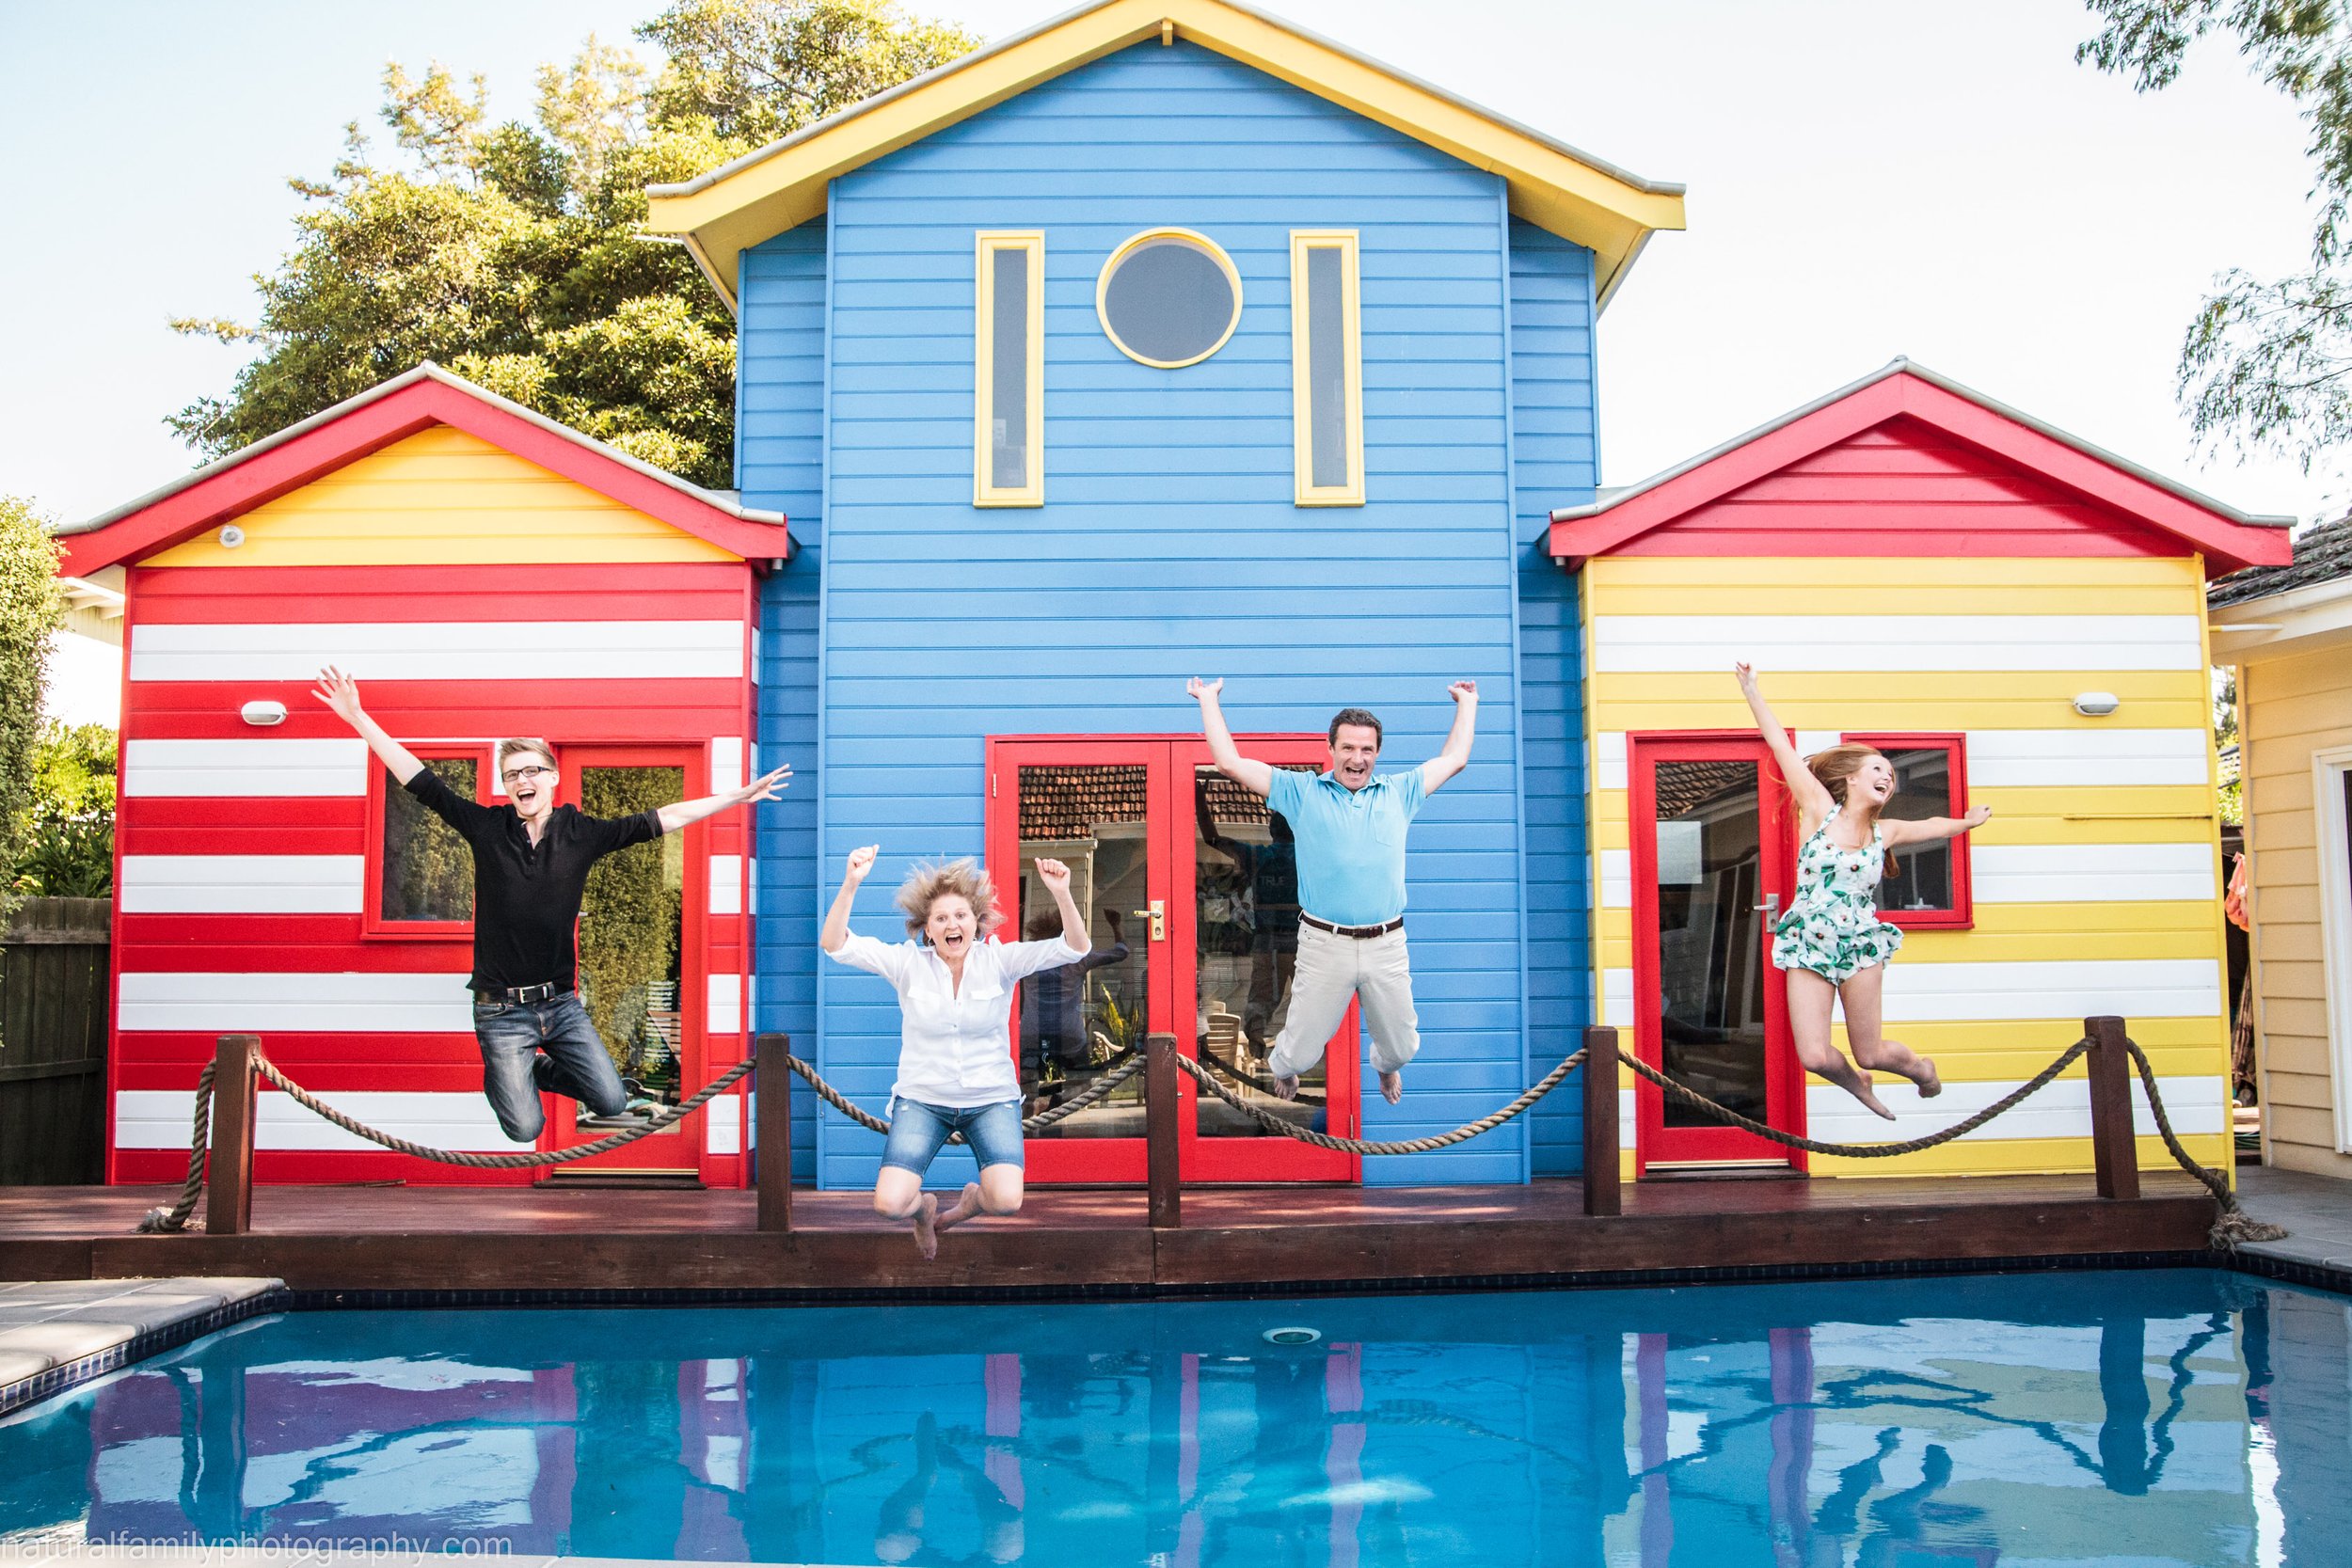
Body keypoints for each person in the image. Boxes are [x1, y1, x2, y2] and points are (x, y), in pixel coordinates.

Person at [312, 666, 789, 1141]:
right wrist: (358, 718)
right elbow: (420, 781)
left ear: (552, 776)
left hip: (560, 1005)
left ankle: (531, 1072)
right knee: (525, 1129)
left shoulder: (582, 834)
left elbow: (663, 818)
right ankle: (507, 1077)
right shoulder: (486, 829)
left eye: (531, 771)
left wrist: (734, 798)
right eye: (511, 775)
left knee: (611, 1101)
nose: (521, 781)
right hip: (500, 1011)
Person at [1186, 675, 1479, 1105]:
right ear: (1331, 750)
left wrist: (1467, 703)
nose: (1357, 758)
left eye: (1366, 749)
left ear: (1377, 753)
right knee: (1300, 1051)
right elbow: (1230, 763)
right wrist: (1208, 700)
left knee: (1403, 1048)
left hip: (1386, 942)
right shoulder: (1302, 792)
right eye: (1348, 748)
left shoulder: (1400, 792)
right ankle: (1284, 1067)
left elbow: (1454, 757)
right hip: (1324, 943)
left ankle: (1383, 1065)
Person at [1736, 662, 1989, 1119]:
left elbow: (1930, 825)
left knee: (1869, 1050)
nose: (1888, 777)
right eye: (1878, 768)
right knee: (1814, 1056)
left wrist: (1966, 822)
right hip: (1809, 940)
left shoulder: (1884, 832)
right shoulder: (1818, 810)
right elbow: (1780, 746)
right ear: (1851, 778)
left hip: (1858, 943)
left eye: (1891, 773)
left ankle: (1920, 1068)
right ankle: (1858, 1085)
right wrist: (1752, 691)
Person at [820, 846, 1089, 1259]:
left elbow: (1075, 948)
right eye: (941, 918)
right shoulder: (907, 964)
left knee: (1005, 1200)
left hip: (990, 1100)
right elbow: (835, 944)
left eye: (961, 916)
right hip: (924, 1100)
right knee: (890, 1203)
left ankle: (968, 1205)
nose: (952, 925)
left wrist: (1062, 892)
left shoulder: (1000, 960)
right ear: (927, 929)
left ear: (976, 924)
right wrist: (851, 883)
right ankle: (923, 1210)